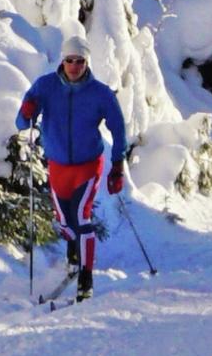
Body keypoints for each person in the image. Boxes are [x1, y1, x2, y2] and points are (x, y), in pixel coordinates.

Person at [14, 40, 131, 301]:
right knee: (64, 222)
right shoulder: (45, 86)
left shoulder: (100, 93)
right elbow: (21, 122)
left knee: (81, 217)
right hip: (57, 165)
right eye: (70, 60)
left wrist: (118, 165)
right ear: (62, 61)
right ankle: (74, 256)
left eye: (80, 61)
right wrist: (28, 110)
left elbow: (118, 128)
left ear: (87, 63)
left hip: (87, 165)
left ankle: (86, 278)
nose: (74, 66)